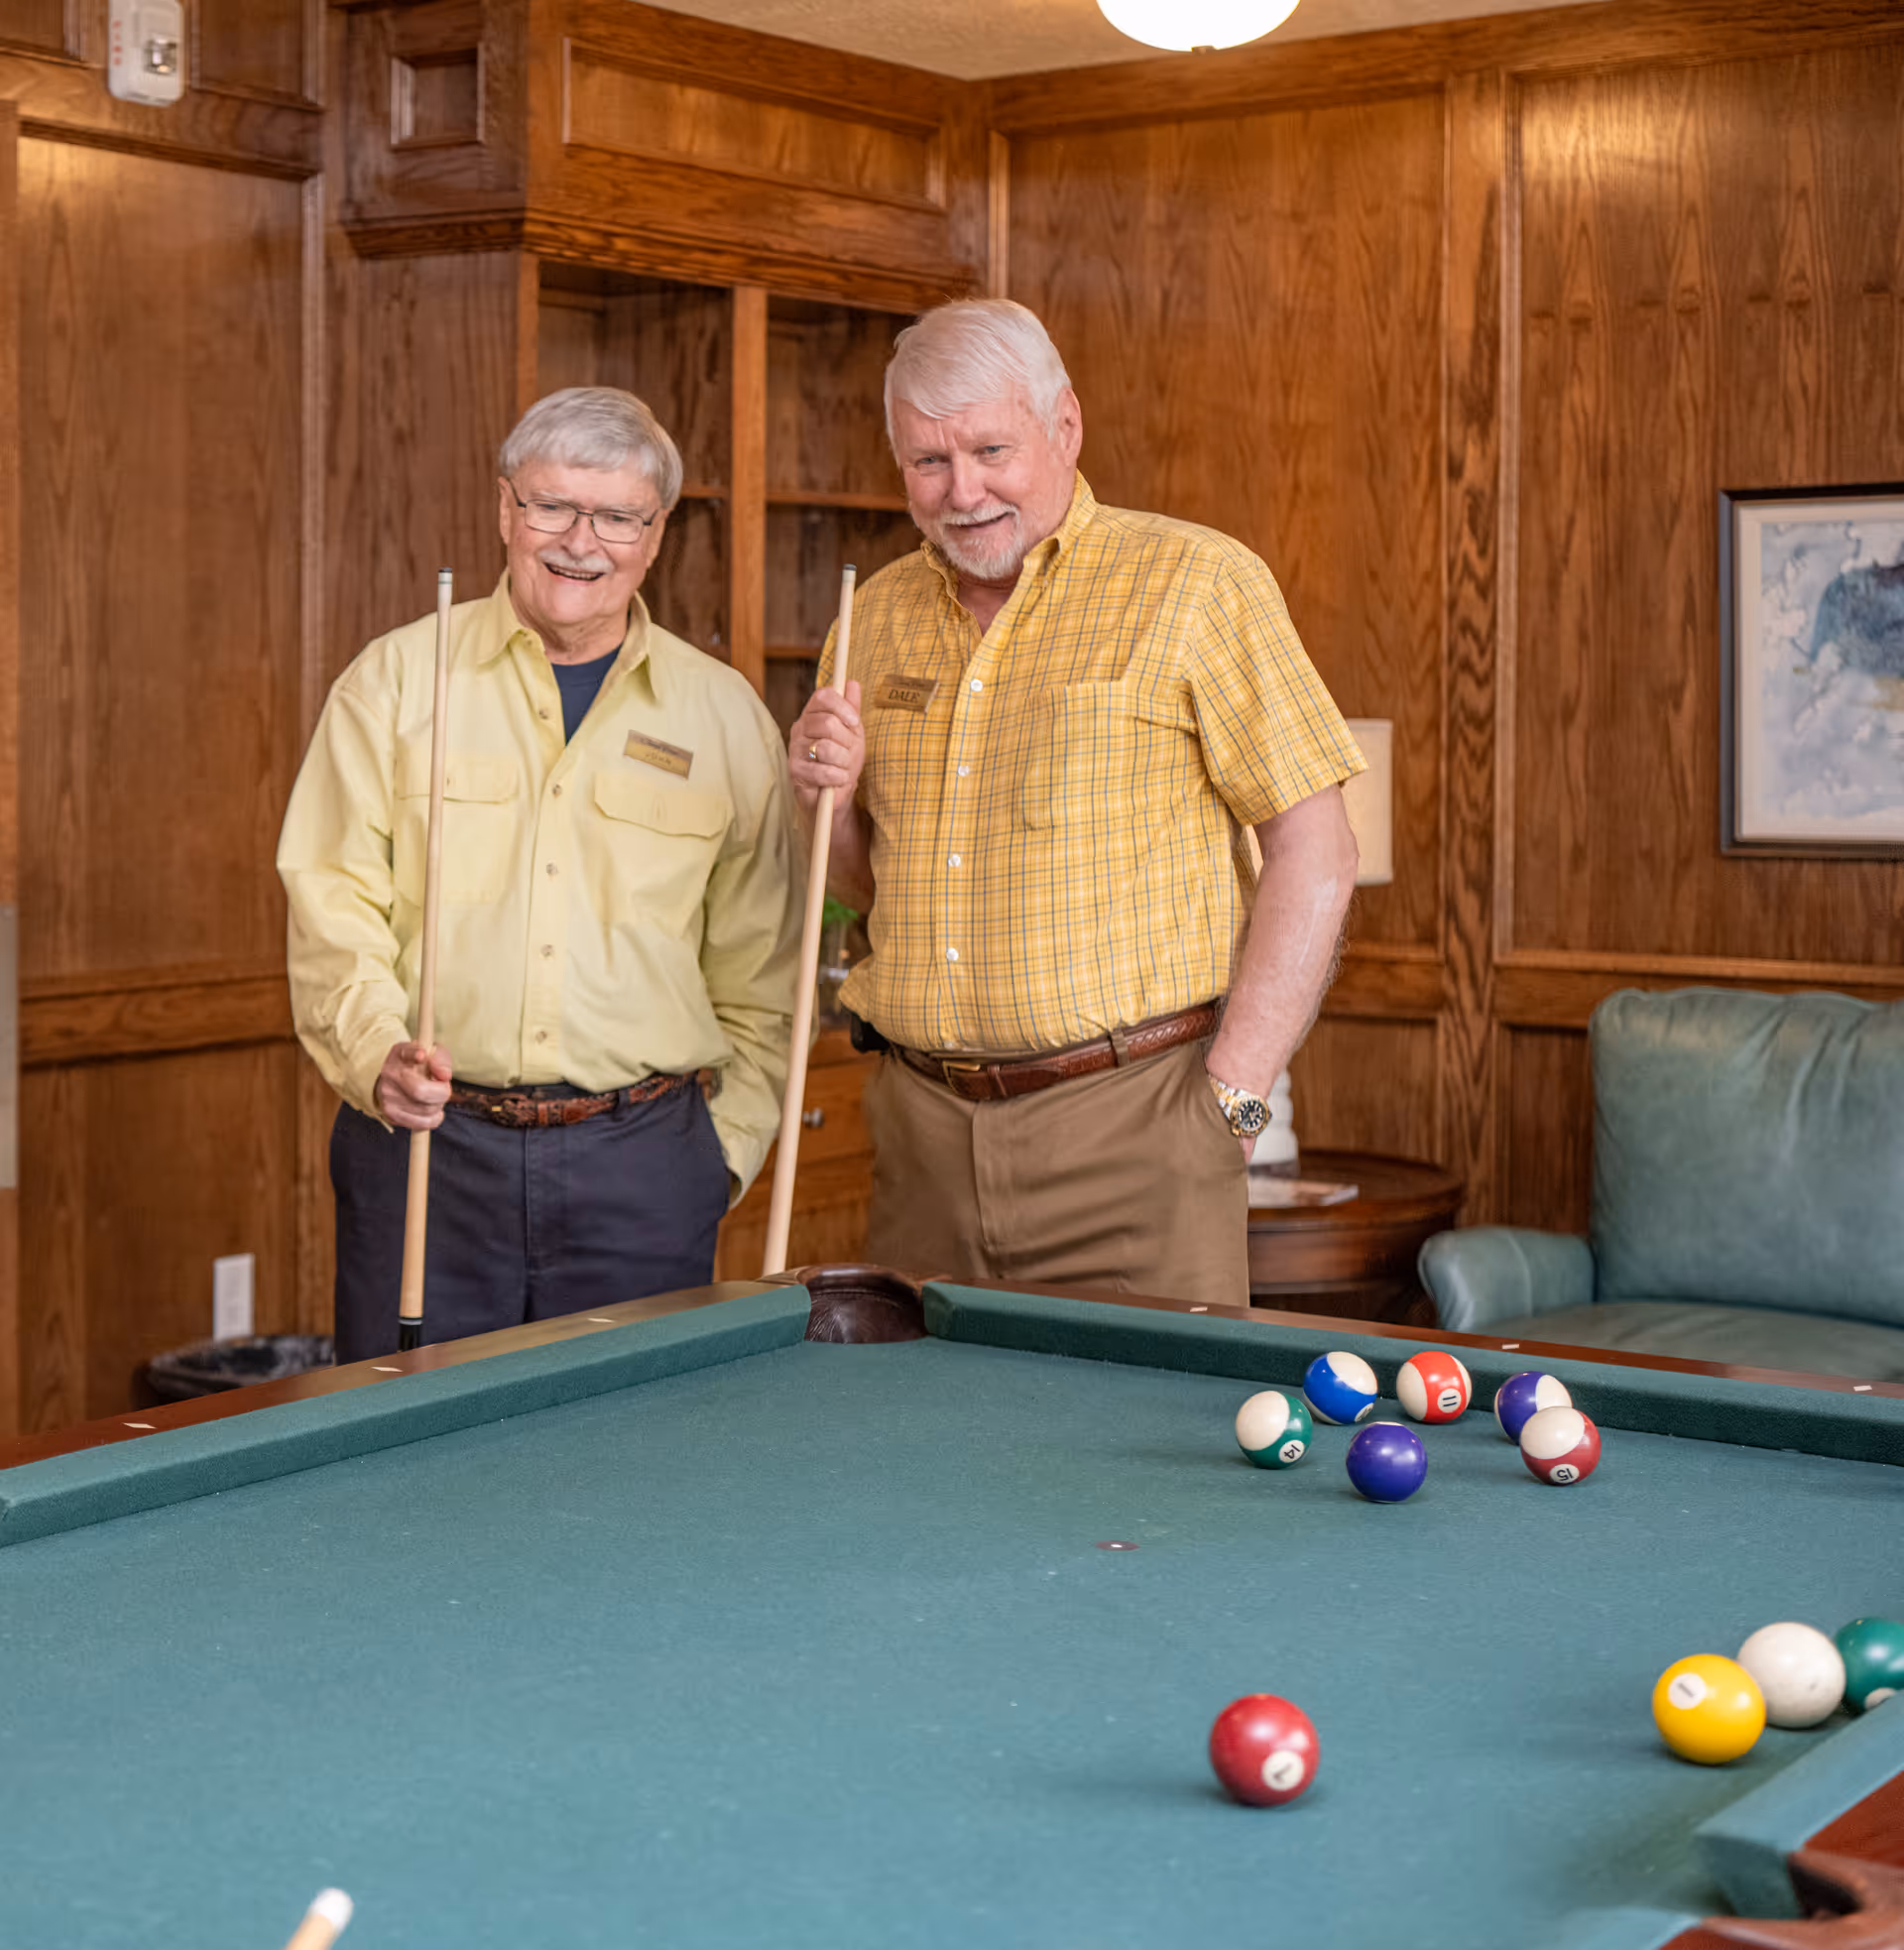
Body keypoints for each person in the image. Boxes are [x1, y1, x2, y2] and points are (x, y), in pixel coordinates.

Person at [787, 300, 1363, 1309]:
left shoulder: (1197, 581)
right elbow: (860, 889)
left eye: (990, 449)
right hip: (921, 1132)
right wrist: (824, 803)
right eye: (928, 461)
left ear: (1065, 428)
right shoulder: (867, 618)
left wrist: (1233, 1095)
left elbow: (1316, 849)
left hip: (1138, 1127)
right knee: (918, 1454)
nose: (962, 490)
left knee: (1143, 1457)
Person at [280, 386, 798, 1361]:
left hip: (644, 1164)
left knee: (630, 1476)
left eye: (616, 516)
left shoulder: (723, 716)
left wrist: (716, 1159)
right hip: (432, 1153)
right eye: (551, 505)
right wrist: (376, 1054)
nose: (579, 541)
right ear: (505, 509)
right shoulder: (393, 684)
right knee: (408, 1465)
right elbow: (329, 903)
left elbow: (761, 969)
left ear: (656, 535)